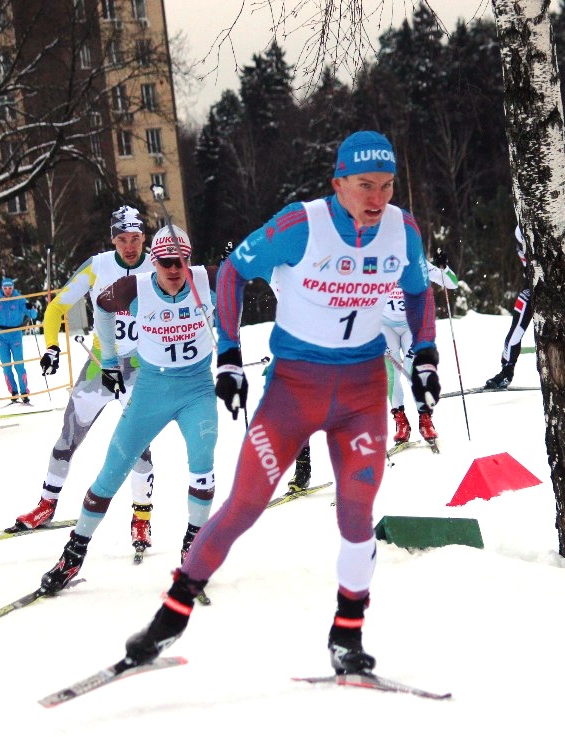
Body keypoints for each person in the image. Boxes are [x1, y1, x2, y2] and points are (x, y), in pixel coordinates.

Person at [114, 131, 440, 676]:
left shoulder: (400, 228)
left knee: (358, 512)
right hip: (294, 391)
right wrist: (228, 354)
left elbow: (417, 288)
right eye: (364, 186)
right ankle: (168, 620)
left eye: (386, 186)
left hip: (361, 391)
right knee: (243, 506)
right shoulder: (300, 224)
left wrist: (425, 351)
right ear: (338, 183)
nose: (377, 198)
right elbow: (233, 272)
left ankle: (347, 637)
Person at [39, 224, 220, 592]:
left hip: (197, 389)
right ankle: (72, 555)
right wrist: (107, 360)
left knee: (202, 464)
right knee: (112, 470)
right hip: (151, 390)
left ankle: (193, 546)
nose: (174, 270)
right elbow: (101, 309)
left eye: (181, 262)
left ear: (190, 261)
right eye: (166, 262)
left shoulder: (206, 278)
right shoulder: (134, 288)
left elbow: (246, 280)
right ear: (154, 262)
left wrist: (230, 351)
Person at [14, 206, 159, 559]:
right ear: (113, 239)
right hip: (100, 364)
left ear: (145, 238)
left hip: (141, 368)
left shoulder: (158, 264)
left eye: (136, 238)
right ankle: (46, 504)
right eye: (123, 239)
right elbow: (54, 309)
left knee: (138, 448)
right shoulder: (98, 266)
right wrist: (50, 346)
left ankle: (141, 518)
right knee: (68, 437)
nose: (130, 246)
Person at [483, 218, 565, 389]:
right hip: (535, 288)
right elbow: (527, 266)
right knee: (516, 329)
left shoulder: (561, 221)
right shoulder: (521, 233)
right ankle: (507, 371)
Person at [383, 255, 459, 445]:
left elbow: (452, 283)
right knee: (390, 374)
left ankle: (425, 418)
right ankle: (400, 420)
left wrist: (444, 267)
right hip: (384, 325)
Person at [0, 277, 37, 404]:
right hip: (1, 335)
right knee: (6, 365)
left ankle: (24, 391)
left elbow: (33, 315)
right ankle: (13, 391)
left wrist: (31, 308)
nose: (8, 291)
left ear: (13, 288)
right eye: (5, 288)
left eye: (10, 288)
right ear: (2, 288)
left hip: (15, 334)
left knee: (19, 364)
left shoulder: (19, 299)